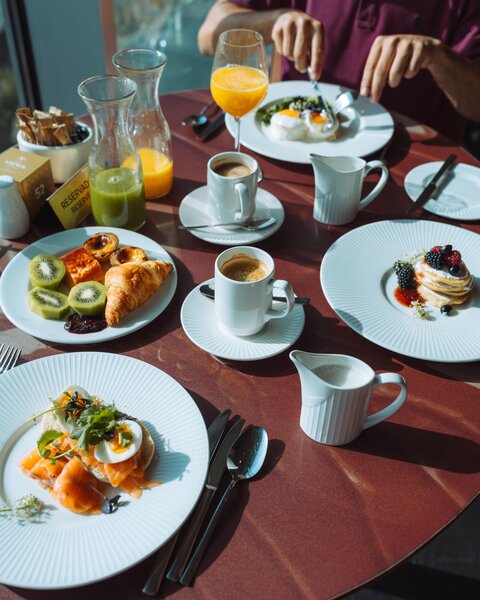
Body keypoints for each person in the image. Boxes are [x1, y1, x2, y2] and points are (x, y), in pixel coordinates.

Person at [198, 0, 480, 141]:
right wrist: (275, 20)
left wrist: (437, 57)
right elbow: (208, 37)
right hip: (285, 143)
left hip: (403, 163)